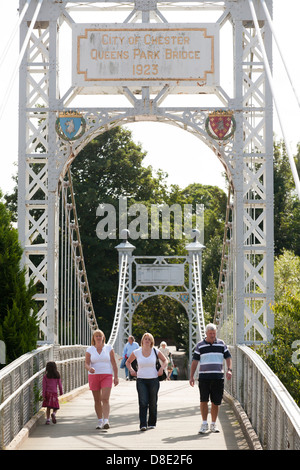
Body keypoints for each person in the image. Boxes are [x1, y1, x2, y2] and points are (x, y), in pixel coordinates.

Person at [189, 323, 232, 434]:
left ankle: (213, 424)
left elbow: (228, 357)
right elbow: (195, 362)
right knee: (203, 400)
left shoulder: (221, 344)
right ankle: (204, 424)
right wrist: (192, 376)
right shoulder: (200, 345)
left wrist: (229, 370)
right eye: (210, 333)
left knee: (216, 402)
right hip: (204, 377)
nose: (212, 335)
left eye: (214, 333)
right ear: (206, 334)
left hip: (218, 377)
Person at [126, 332, 167, 431]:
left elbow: (165, 360)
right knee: (143, 402)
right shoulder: (137, 352)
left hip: (153, 380)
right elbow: (128, 362)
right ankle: (143, 424)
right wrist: (131, 370)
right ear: (142, 341)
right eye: (146, 339)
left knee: (153, 402)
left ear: (152, 341)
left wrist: (161, 369)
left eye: (149, 339)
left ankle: (152, 422)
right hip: (141, 380)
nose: (147, 341)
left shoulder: (155, 351)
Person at [85, 329, 119, 430]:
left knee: (105, 398)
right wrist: (89, 368)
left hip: (106, 375)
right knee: (97, 400)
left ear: (103, 337)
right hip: (94, 376)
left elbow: (113, 363)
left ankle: (106, 420)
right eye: (97, 336)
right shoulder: (90, 349)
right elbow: (86, 363)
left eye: (100, 336)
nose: (99, 338)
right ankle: (100, 420)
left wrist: (116, 377)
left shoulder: (109, 348)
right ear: (94, 338)